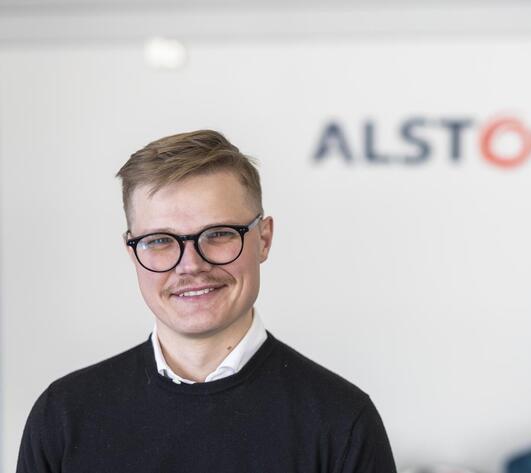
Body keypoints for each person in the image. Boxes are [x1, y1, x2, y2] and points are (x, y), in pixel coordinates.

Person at [17, 130, 396, 472]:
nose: (191, 265)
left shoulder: (341, 421)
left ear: (263, 239)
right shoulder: (63, 416)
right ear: (132, 252)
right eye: (160, 241)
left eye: (218, 234)